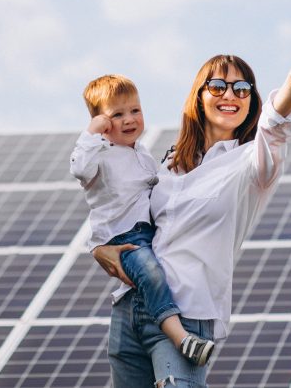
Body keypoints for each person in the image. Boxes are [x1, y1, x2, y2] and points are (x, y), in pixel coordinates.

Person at [93, 45, 291, 388]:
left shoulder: (252, 165)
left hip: (188, 313)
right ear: (200, 96)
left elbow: (275, 127)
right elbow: (127, 216)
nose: (230, 95)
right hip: (132, 307)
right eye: (218, 86)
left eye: (242, 89)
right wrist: (100, 249)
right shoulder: (168, 163)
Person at [70, 74, 216, 366]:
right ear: (101, 122)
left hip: (146, 234)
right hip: (122, 239)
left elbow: (157, 186)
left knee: (161, 271)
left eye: (135, 110)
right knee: (151, 273)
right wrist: (91, 134)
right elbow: (80, 170)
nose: (129, 120)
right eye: (117, 114)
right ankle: (181, 338)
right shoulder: (99, 154)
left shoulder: (143, 153)